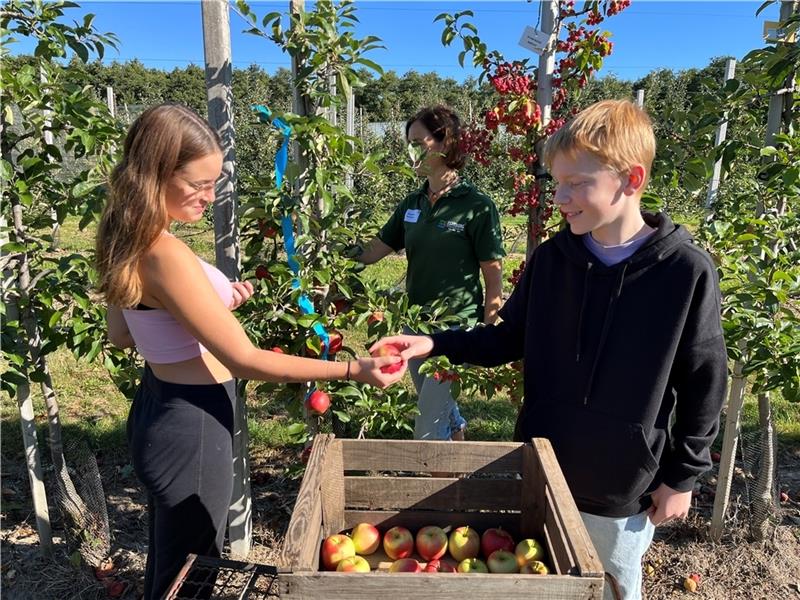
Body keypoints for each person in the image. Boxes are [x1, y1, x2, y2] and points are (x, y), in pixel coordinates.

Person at [372, 99, 727, 600]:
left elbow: (704, 382)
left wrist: (683, 477)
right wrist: (433, 342)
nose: (560, 197)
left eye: (576, 183)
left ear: (631, 179)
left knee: (609, 585)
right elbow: (507, 337)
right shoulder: (552, 260)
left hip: (618, 485)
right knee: (542, 582)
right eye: (556, 183)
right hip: (542, 464)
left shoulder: (684, 272)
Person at [96, 103, 404, 600]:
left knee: (169, 563)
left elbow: (123, 334)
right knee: (192, 576)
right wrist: (353, 369)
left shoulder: (127, 235)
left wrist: (211, 302)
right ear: (157, 175)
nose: (209, 195)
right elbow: (245, 359)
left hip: (158, 407)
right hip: (194, 425)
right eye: (198, 184)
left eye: (213, 182)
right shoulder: (166, 253)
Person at [355, 105, 505, 442]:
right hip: (415, 325)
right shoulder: (412, 203)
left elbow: (493, 275)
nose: (410, 151)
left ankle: (435, 474)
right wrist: (332, 248)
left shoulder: (476, 206)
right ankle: (458, 451)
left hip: (457, 328)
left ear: (445, 142)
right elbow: (375, 250)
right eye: (408, 143)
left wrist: (486, 332)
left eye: (417, 143)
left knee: (428, 425)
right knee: (438, 404)